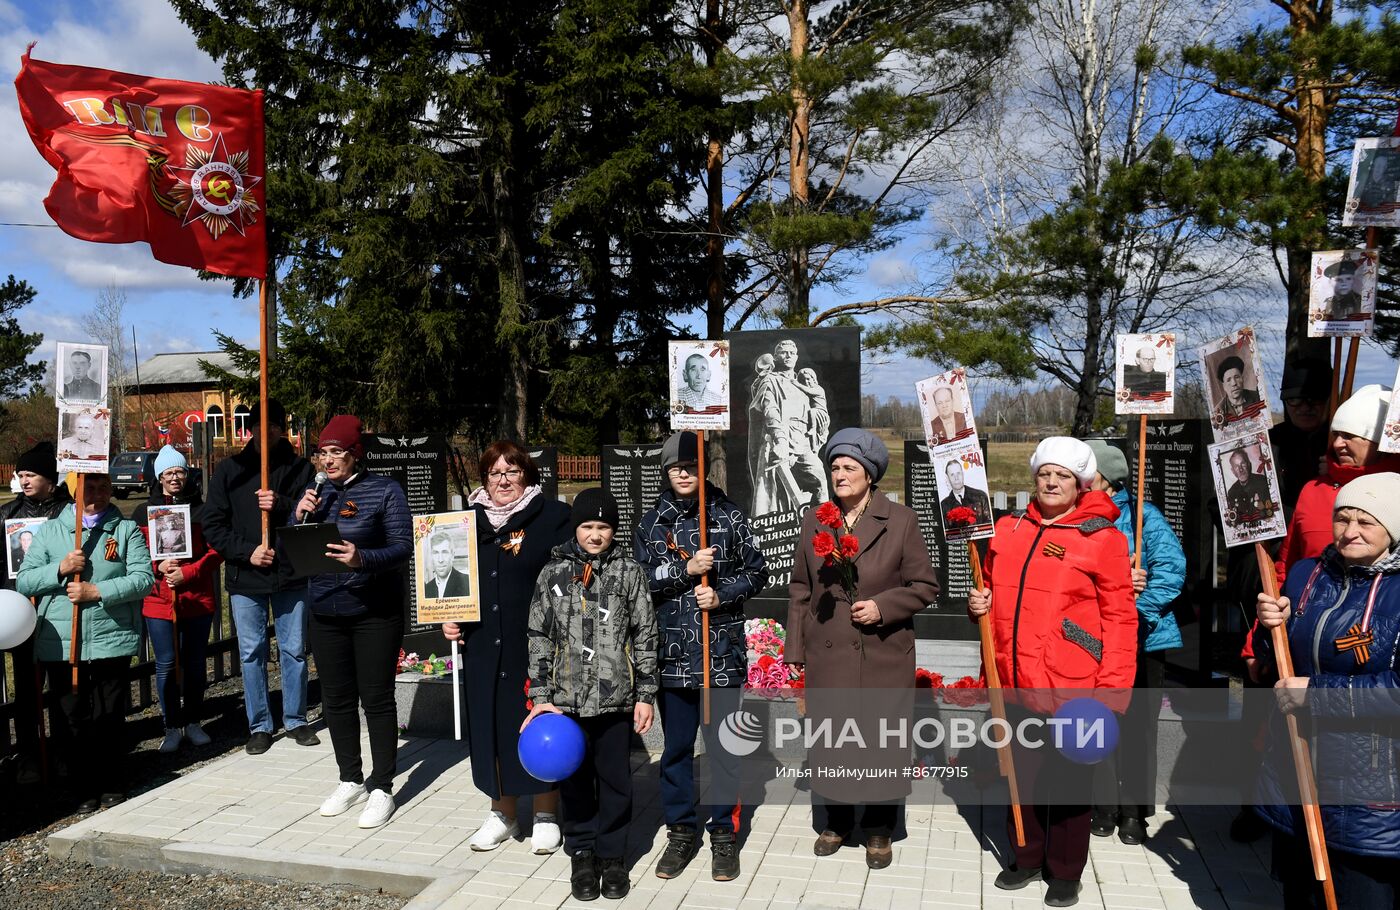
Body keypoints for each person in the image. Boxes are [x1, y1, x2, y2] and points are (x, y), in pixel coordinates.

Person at [968, 437, 1136, 908]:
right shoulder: (1009, 528)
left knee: (1068, 780)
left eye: (1063, 475)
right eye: (1045, 473)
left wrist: (1112, 691)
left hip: (1073, 683)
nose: (1052, 481)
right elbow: (993, 596)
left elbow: (1122, 619)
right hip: (1015, 678)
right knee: (1021, 774)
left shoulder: (1102, 538)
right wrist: (977, 605)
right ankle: (1024, 854)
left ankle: (1065, 869)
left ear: (1081, 483)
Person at [787, 428, 939, 871]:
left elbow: (926, 586)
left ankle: (877, 827)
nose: (839, 474)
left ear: (869, 475)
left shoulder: (901, 520)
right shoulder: (817, 520)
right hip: (829, 653)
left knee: (879, 740)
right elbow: (800, 589)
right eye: (834, 467)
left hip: (882, 652)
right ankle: (836, 821)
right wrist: (795, 650)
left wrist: (883, 606)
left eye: (849, 467)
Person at [1253, 473, 1400, 908]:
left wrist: (1316, 694)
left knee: (1360, 897)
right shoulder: (1306, 574)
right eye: (1342, 518)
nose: (1350, 531)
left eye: (1366, 521)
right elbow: (1282, 663)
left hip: (1370, 783)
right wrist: (1269, 628)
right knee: (1301, 897)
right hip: (1296, 768)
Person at [635, 430, 767, 881]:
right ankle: (680, 832)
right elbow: (638, 583)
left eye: (690, 466)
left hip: (721, 655)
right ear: (666, 471)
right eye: (675, 467)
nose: (683, 474)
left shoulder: (728, 515)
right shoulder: (652, 522)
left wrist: (723, 595)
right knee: (674, 752)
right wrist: (684, 569)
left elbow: (758, 570)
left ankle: (724, 837)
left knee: (724, 752)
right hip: (672, 657)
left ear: (703, 468)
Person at [524, 488, 658, 901]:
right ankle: (582, 851)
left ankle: (613, 855)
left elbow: (645, 633)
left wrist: (646, 693)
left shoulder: (629, 572)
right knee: (576, 781)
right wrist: (541, 693)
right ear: (575, 528)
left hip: (615, 698)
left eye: (603, 527)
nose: (595, 535)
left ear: (614, 529)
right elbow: (539, 635)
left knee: (616, 780)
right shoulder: (553, 572)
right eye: (587, 526)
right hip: (565, 703)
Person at [442, 441, 570, 854]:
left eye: (512, 472)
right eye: (495, 473)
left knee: (537, 722)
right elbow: (448, 581)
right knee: (492, 727)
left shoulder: (552, 518)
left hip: (536, 645)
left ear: (527, 476)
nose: (503, 480)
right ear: (484, 479)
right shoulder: (463, 524)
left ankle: (547, 812)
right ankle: (503, 813)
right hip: (483, 645)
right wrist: (449, 615)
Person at [293, 416, 411, 829]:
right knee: (335, 700)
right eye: (322, 453)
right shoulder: (316, 495)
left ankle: (382, 786)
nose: (327, 460)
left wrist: (363, 559)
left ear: (354, 454)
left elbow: (402, 548)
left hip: (374, 611)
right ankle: (350, 778)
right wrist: (298, 517)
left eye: (335, 452)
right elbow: (297, 550)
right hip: (325, 609)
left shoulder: (385, 490)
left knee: (376, 699)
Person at [17, 473, 154, 811]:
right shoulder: (50, 531)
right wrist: (60, 569)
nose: (98, 494)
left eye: (104, 487)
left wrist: (98, 591)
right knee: (71, 717)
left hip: (111, 638)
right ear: (76, 491)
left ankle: (110, 781)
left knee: (109, 714)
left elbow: (143, 579)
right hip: (62, 642)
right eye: (89, 488)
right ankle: (81, 786)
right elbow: (25, 582)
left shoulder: (124, 530)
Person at [202, 399, 320, 755]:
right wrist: (247, 551)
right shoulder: (229, 471)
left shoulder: (300, 468)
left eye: (273, 425)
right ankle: (259, 724)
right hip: (246, 576)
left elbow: (310, 514)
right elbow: (213, 524)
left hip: (290, 573)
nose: (265, 432)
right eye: (258, 425)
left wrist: (281, 503)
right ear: (249, 429)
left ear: (281, 429)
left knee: (294, 650)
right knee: (251, 651)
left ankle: (296, 719)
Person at [1084, 440, 1185, 846]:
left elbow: (1171, 570)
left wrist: (1133, 613)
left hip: (1144, 640)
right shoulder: (1078, 519)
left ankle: (1134, 812)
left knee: (1138, 728)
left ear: (1105, 479)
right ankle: (1104, 805)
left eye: (1084, 472)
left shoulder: (1143, 516)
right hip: (1093, 640)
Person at [134, 446, 223, 755]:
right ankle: (171, 725)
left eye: (180, 472)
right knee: (167, 664)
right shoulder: (142, 512)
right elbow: (135, 554)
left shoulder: (202, 511)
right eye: (168, 472)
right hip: (159, 600)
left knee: (195, 662)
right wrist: (155, 565)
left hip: (196, 598)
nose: (174, 477)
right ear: (159, 477)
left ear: (187, 474)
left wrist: (190, 571)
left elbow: (216, 551)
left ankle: (194, 721)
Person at [0, 442, 71, 784]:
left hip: (58, 610)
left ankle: (62, 752)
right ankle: (29, 753)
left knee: (62, 686)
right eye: (21, 475)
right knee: (28, 690)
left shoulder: (68, 512)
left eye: (32, 474)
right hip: (21, 614)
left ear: (50, 478)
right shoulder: (8, 516)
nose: (24, 480)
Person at [750, 338, 828, 511]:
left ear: (797, 357)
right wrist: (780, 440)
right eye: (783, 353)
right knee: (778, 492)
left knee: (819, 477)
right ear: (776, 357)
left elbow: (820, 409)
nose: (788, 356)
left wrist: (816, 417)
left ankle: (825, 524)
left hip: (803, 440)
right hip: (780, 440)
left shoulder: (804, 382)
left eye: (792, 353)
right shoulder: (770, 380)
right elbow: (770, 409)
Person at [1224, 448, 1273, 523]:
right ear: (1233, 471)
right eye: (1236, 466)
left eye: (1243, 464)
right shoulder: (1232, 493)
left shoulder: (1263, 482)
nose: (1240, 469)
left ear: (1248, 464)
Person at [939, 458, 992, 526]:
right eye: (952, 475)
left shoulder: (981, 496)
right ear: (947, 478)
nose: (956, 478)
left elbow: (989, 523)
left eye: (958, 473)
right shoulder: (944, 506)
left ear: (963, 474)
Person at [1213, 354, 1261, 421]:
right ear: (1224, 386)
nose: (1234, 383)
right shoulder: (1219, 411)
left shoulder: (1258, 397)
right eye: (1228, 380)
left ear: (1242, 379)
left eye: (1237, 377)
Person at [423, 531, 471, 599]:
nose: (440, 560)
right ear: (431, 556)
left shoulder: (468, 583)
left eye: (444, 552)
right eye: (436, 553)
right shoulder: (427, 589)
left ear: (452, 555)